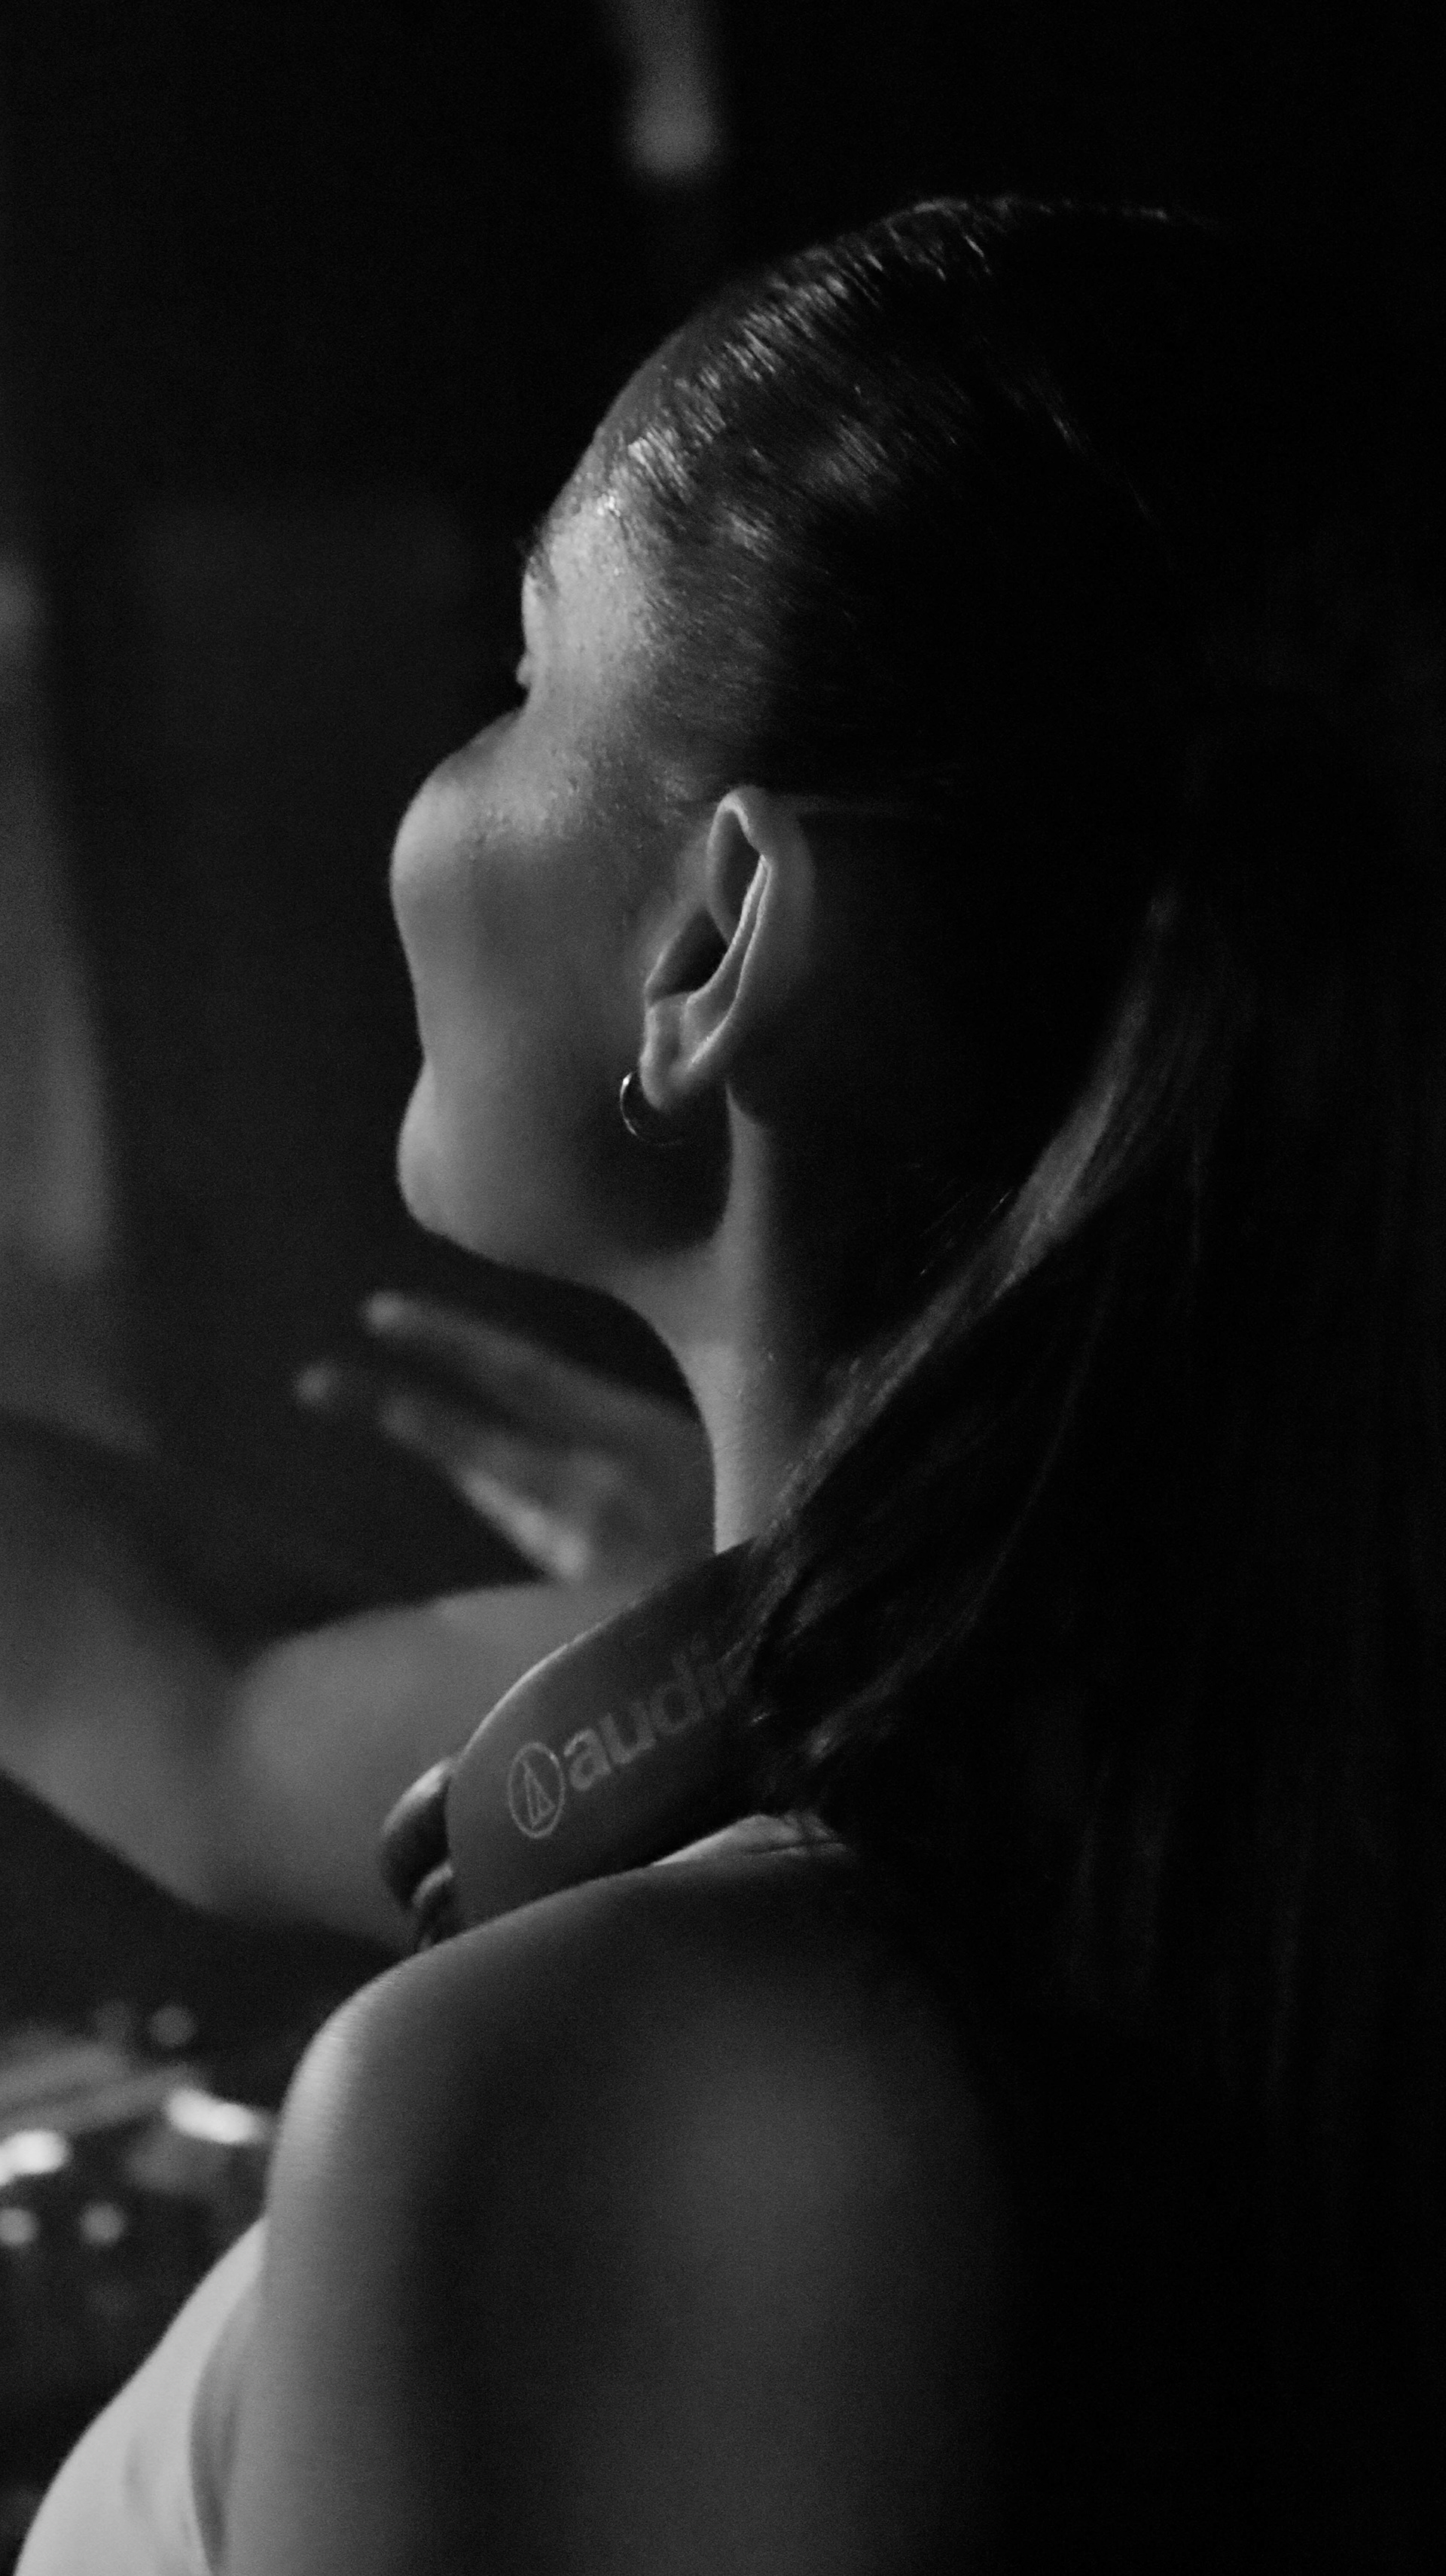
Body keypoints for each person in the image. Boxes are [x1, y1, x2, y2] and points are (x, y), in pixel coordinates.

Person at [17, 195, 1446, 2572]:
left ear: (710, 941)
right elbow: (184, 1704)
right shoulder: (1213, 1750)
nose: (436, 785)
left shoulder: (595, 2084)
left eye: (521, 681)